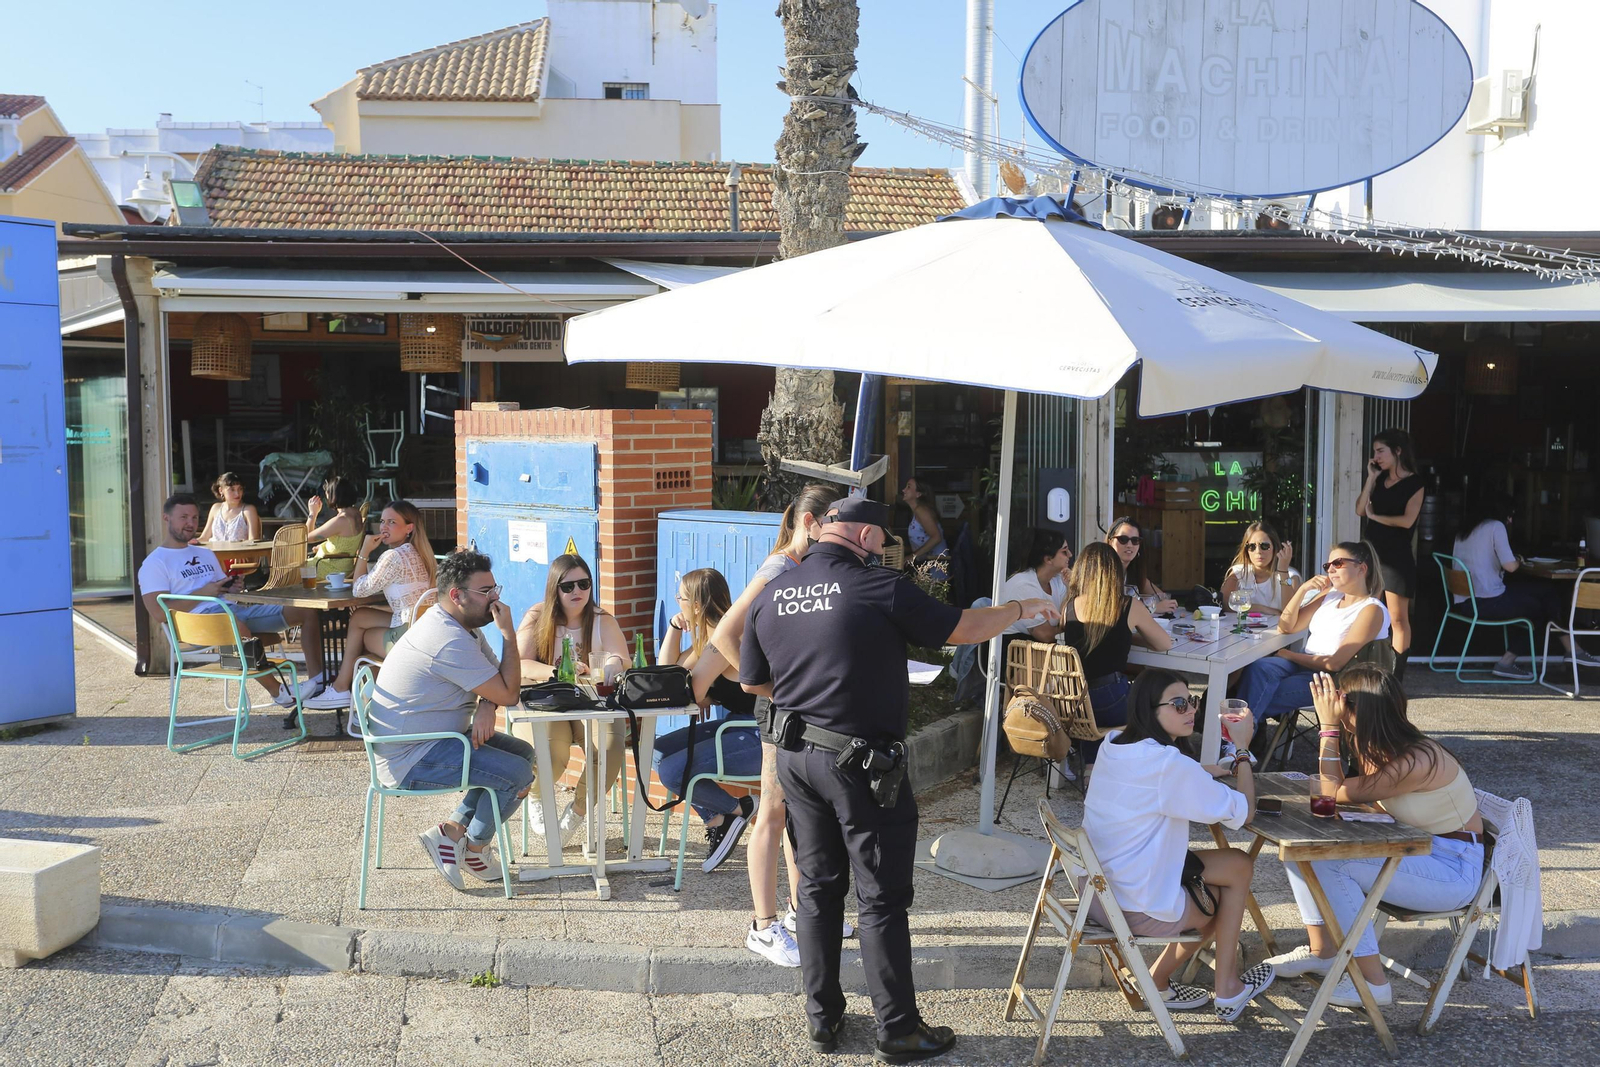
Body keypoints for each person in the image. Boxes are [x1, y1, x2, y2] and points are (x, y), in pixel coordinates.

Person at [740, 495, 1059, 1061]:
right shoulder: (875, 585)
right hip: (859, 765)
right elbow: (960, 628)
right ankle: (898, 1029)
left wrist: (816, 695)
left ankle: (823, 1017)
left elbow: (752, 682)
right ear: (866, 537)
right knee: (881, 898)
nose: (886, 552)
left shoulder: (773, 593)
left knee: (816, 888)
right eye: (883, 543)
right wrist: (1019, 611)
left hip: (796, 758)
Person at [1265, 665, 1486, 1009]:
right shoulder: (1383, 747)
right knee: (1305, 852)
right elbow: (1336, 791)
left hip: (1452, 869)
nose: (1334, 706)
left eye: (1341, 701)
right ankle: (1323, 952)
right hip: (1418, 850)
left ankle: (1373, 983)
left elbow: (1331, 790)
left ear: (1360, 711)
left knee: (1333, 866)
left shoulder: (1417, 760)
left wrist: (1327, 726)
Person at [1083, 669, 1276, 1021]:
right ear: (1149, 709)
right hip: (1135, 905)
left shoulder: (1114, 744)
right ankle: (1228, 987)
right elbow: (1244, 813)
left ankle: (1157, 980)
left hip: (1096, 894)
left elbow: (1164, 773)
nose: (1189, 710)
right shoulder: (1168, 766)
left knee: (1237, 864)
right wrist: (1243, 749)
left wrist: (1206, 770)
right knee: (1222, 899)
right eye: (1178, 704)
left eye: (1192, 701)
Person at [706, 484, 837, 969]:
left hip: (798, 707)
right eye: (834, 523)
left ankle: (803, 911)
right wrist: (762, 686)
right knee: (772, 813)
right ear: (811, 523)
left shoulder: (801, 566)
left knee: (795, 815)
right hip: (780, 711)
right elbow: (724, 633)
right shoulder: (779, 567)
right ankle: (763, 927)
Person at [366, 550, 531, 891]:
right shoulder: (448, 639)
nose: (495, 598)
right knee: (516, 774)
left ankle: (451, 832)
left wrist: (487, 704)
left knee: (524, 753)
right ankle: (473, 849)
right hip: (411, 757)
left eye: (494, 588)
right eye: (486, 592)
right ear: (457, 595)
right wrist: (510, 636)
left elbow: (497, 685)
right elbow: (509, 692)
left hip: (438, 738)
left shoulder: (459, 626)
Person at [139, 493, 322, 708]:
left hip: (231, 610)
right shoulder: (155, 563)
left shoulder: (205, 554)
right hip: (197, 624)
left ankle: (317, 682)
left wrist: (232, 587)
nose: (190, 523)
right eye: (184, 517)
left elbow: (220, 591)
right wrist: (203, 593)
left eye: (195, 518)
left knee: (307, 611)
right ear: (166, 518)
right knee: (235, 625)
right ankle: (280, 692)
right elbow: (159, 613)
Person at [515, 553, 629, 847]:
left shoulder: (603, 620)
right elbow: (519, 664)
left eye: (584, 584)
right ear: (555, 588)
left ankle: (576, 813)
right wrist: (557, 671)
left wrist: (611, 667)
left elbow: (621, 658)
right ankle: (538, 796)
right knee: (551, 756)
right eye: (568, 586)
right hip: (548, 701)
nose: (577, 591)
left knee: (610, 747)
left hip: (592, 702)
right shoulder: (538, 617)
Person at [653, 568, 762, 873]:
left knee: (674, 771)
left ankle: (737, 809)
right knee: (656, 752)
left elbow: (682, 692)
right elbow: (668, 672)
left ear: (698, 606)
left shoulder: (722, 640)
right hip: (736, 727)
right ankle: (718, 818)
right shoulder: (709, 638)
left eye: (682, 600)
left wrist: (701, 694)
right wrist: (675, 626)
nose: (679, 604)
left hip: (754, 735)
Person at [1235, 540, 1391, 730]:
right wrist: (1302, 589)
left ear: (1362, 568)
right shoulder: (1330, 594)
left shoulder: (1371, 609)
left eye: (1338, 563)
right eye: (1328, 565)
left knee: (1258, 693)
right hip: (1303, 662)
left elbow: (1335, 663)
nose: (1330, 570)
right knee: (1258, 668)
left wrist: (1289, 654)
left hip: (1333, 678)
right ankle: (1243, 740)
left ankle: (1236, 744)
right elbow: (1286, 626)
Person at [305, 501, 438, 717]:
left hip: (407, 639)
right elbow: (406, 603)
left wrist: (364, 552)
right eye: (382, 521)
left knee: (364, 642)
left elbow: (359, 589)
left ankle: (346, 693)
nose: (384, 527)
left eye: (392, 522)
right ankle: (358, 699)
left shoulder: (393, 556)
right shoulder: (420, 553)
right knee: (360, 616)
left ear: (409, 528)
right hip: (421, 631)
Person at [1449, 491, 1598, 678]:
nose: (1510, 520)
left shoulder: (1465, 529)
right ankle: (1508, 662)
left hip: (1465, 601)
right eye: (1510, 514)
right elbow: (1510, 566)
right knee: (1543, 608)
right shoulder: (1496, 526)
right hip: (1486, 602)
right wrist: (1519, 559)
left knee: (1547, 593)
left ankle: (1574, 652)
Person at [1059, 542, 1174, 765]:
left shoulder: (1069, 606)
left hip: (1073, 700)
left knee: (1102, 709)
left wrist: (1125, 636)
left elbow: (1090, 636)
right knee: (1159, 703)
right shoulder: (1128, 605)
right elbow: (1163, 644)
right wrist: (1130, 635)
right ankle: (1151, 765)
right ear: (1115, 572)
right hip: (1109, 698)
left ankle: (1093, 765)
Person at [1356, 429, 1424, 676]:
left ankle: (1397, 676)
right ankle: (1364, 671)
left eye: (1380, 451)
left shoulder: (1415, 484)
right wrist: (1370, 478)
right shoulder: (1379, 480)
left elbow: (1407, 521)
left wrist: (1377, 517)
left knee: (1398, 619)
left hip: (1396, 558)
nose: (1376, 456)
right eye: (1374, 451)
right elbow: (1360, 510)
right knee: (1366, 613)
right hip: (1371, 556)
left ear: (1397, 451)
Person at [1218, 519, 1301, 616]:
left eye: (1264, 546)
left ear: (1275, 547)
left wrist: (1283, 571)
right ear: (1246, 550)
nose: (1258, 551)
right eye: (1252, 546)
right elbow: (1225, 604)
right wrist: (1262, 609)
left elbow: (1290, 612)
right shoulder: (1239, 573)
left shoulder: (1291, 577)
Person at [1106, 517, 1179, 614]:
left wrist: (1167, 604)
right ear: (1110, 541)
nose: (1129, 545)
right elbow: (1108, 608)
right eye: (1123, 539)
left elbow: (1161, 598)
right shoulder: (1102, 571)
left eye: (1135, 540)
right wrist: (1153, 608)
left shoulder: (1134, 573)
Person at [305, 476, 366, 580]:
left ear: (334, 495)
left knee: (291, 568)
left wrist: (312, 513)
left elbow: (306, 538)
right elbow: (345, 541)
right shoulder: (356, 513)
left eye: (327, 493)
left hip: (332, 568)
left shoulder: (341, 520)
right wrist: (323, 546)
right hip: (344, 566)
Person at [901, 476, 948, 578]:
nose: (903, 490)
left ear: (918, 494)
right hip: (926, 564)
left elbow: (936, 537)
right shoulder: (917, 511)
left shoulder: (922, 511)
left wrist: (912, 556)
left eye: (909, 487)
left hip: (935, 566)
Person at [201, 472, 260, 544]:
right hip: (214, 553)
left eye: (240, 489)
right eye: (232, 490)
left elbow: (253, 540)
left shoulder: (248, 510)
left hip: (239, 553)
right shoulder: (215, 508)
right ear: (221, 490)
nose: (237, 494)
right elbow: (204, 537)